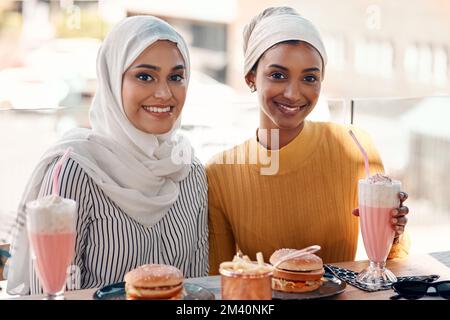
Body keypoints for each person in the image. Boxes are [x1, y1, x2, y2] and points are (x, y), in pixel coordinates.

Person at [5, 16, 208, 295]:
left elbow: (198, 288)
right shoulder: (76, 169)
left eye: (176, 77)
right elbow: (50, 291)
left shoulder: (190, 170)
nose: (164, 93)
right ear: (113, 81)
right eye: (144, 76)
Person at [206, 7, 410, 274]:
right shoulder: (220, 173)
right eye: (278, 75)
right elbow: (218, 281)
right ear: (251, 77)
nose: (293, 93)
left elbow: (394, 263)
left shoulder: (354, 146)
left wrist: (395, 231)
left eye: (309, 78)